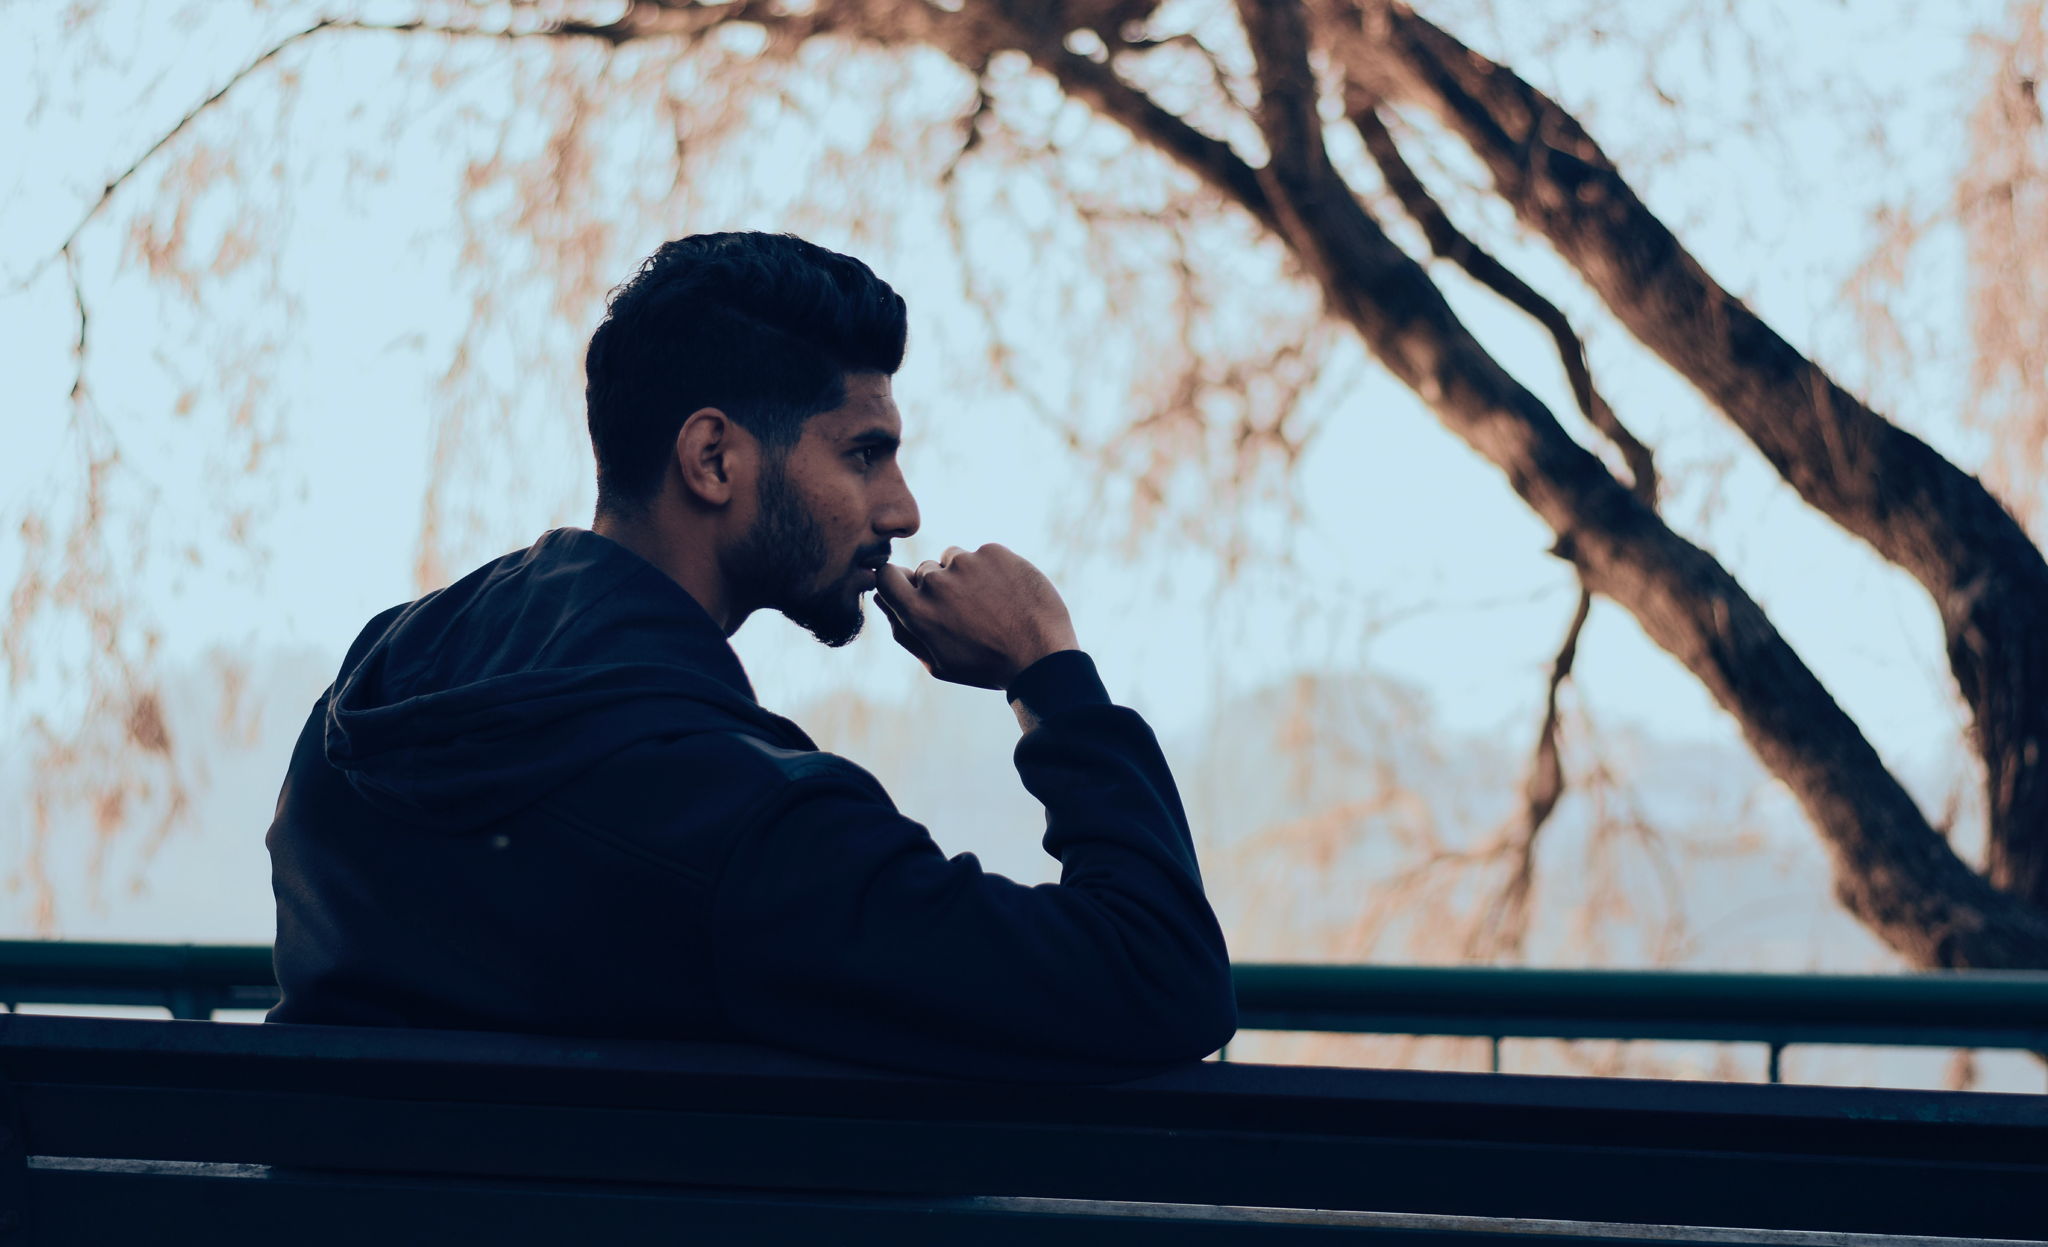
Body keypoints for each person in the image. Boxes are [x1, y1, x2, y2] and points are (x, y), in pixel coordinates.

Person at [264, 231, 1236, 1081]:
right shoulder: (749, 832)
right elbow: (1157, 975)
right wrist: (1049, 673)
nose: (901, 510)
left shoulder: (369, 694)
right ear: (714, 460)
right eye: (863, 452)